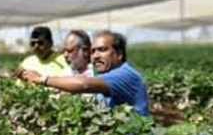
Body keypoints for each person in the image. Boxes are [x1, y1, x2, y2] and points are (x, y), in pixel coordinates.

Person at [20, 30, 149, 116]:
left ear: (119, 54)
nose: (95, 56)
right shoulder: (104, 75)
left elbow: (84, 84)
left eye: (102, 50)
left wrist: (42, 79)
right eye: (93, 51)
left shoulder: (125, 74)